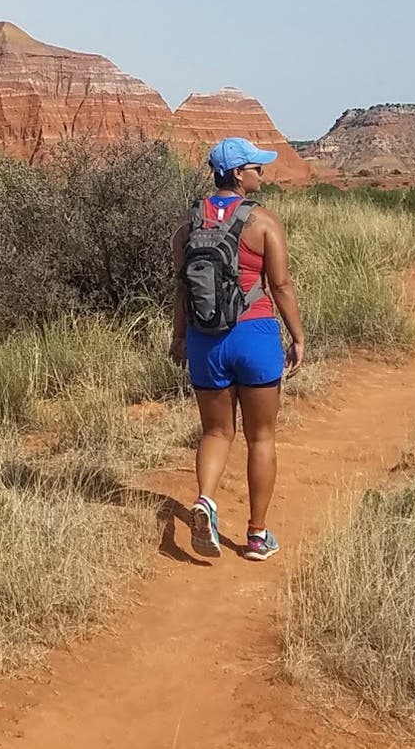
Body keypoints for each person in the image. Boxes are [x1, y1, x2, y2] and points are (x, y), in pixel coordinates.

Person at [169, 136, 304, 561]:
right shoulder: (263, 223)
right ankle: (257, 536)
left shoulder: (188, 226)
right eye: (255, 168)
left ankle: (205, 501)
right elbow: (279, 285)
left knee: (215, 432)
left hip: (205, 339)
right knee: (260, 437)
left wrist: (178, 337)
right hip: (255, 335)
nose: (261, 173)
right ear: (236, 174)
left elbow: (181, 290)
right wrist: (298, 336)